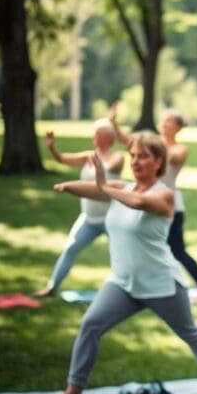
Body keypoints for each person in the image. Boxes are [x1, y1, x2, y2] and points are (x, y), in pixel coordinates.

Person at [48, 131, 197, 394]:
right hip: (123, 283)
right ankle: (73, 392)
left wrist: (104, 186)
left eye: (143, 156)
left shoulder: (165, 195)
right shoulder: (122, 188)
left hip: (160, 283)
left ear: (158, 162)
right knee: (91, 325)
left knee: (190, 332)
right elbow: (95, 190)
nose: (135, 161)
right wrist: (67, 186)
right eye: (132, 155)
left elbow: (138, 202)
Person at [109, 104, 197, 299]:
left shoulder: (180, 149)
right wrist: (113, 122)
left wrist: (151, 148)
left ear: (178, 127)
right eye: (163, 120)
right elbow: (126, 141)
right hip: (146, 200)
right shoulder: (152, 145)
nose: (164, 124)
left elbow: (171, 158)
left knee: (177, 251)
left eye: (169, 121)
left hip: (170, 205)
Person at [35, 120, 124, 297]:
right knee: (70, 249)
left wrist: (98, 164)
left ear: (108, 137)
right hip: (89, 218)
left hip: (111, 218)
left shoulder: (117, 157)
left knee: (121, 255)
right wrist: (52, 148)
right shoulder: (88, 156)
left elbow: (112, 167)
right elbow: (62, 159)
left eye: (97, 133)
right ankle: (52, 287)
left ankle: (126, 290)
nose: (93, 136)